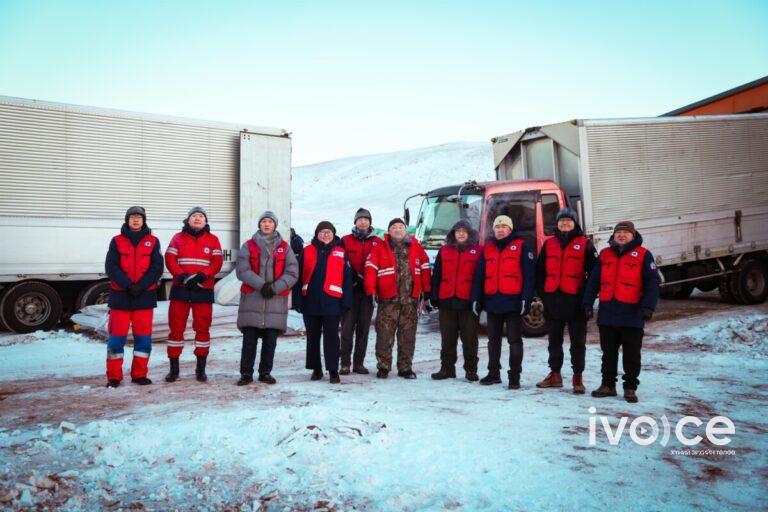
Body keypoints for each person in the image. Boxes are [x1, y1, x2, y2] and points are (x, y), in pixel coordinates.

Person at [583, 221, 660, 403]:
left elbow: (652, 283)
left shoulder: (643, 255)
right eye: (619, 232)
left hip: (632, 313)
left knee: (631, 353)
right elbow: (593, 280)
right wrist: (587, 303)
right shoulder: (605, 254)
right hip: (608, 312)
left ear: (633, 236)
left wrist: (648, 306)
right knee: (608, 353)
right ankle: (608, 385)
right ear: (614, 235)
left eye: (626, 233)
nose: (622, 235)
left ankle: (630, 387)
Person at [535, 208, 597, 394]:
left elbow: (594, 275)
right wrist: (543, 295)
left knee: (577, 343)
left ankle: (577, 378)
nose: (565, 224)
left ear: (575, 223)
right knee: (554, 341)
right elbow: (540, 271)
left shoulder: (585, 244)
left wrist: (587, 300)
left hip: (575, 301)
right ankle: (555, 375)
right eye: (562, 221)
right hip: (553, 300)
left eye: (569, 221)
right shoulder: (549, 244)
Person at [471, 215, 535, 389]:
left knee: (514, 340)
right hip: (493, 301)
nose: (500, 229)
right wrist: (477, 298)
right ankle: (493, 373)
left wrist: (526, 299)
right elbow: (479, 276)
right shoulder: (488, 248)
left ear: (510, 229)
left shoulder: (522, 246)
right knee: (493, 340)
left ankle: (514, 376)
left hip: (513, 302)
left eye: (503, 226)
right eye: (497, 226)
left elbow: (530, 276)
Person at [235, 211, 299, 385]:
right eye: (263, 221)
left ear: (275, 225)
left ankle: (265, 372)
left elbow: (292, 273)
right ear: (259, 224)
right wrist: (261, 285)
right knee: (249, 341)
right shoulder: (248, 246)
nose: (266, 224)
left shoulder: (285, 247)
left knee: (270, 342)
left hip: (275, 302)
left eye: (270, 221)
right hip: (252, 300)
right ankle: (246, 374)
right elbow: (242, 270)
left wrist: (274, 288)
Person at [104, 206, 164, 387]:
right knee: (116, 340)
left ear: (144, 220)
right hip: (121, 297)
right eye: (132, 217)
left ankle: (139, 375)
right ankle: (114, 377)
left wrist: (141, 286)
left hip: (144, 297)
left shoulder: (153, 241)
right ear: (127, 220)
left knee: (143, 339)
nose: (136, 220)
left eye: (139, 217)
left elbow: (157, 268)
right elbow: (111, 267)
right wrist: (128, 285)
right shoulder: (116, 241)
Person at [364, 218, 431, 379]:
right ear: (389, 231)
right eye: (394, 227)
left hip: (410, 301)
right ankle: (383, 366)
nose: (398, 229)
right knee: (384, 336)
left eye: (401, 227)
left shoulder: (416, 246)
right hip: (388, 301)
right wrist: (370, 290)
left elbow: (425, 267)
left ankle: (405, 368)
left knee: (407, 336)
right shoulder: (380, 247)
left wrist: (427, 289)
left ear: (406, 230)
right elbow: (370, 268)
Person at [164, 206, 223, 383]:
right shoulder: (177, 238)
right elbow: (169, 258)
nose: (197, 219)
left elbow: (217, 262)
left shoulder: (213, 240)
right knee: (176, 330)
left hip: (202, 290)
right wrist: (182, 277)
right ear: (188, 220)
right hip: (181, 289)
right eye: (194, 216)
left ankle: (200, 369)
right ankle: (174, 370)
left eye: (201, 216)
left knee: (203, 329)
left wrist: (202, 276)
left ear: (206, 222)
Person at [295, 221, 353, 383]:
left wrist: (346, 302)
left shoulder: (341, 252)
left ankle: (333, 370)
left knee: (332, 337)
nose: (325, 234)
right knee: (312, 337)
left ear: (333, 234)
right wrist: (297, 300)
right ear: (316, 234)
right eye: (322, 232)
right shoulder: (306, 252)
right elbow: (298, 278)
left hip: (332, 303)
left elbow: (347, 279)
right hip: (310, 302)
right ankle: (316, 369)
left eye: (328, 232)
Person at [429, 220, 481, 382]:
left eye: (464, 231)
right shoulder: (444, 251)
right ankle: (447, 369)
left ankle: (471, 370)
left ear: (470, 233)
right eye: (457, 231)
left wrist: (478, 299)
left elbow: (481, 278)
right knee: (447, 339)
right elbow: (437, 274)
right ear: (453, 234)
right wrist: (434, 295)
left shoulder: (479, 251)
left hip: (468, 303)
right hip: (447, 301)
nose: (460, 233)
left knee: (470, 339)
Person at [340, 208, 382, 375]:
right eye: (360, 219)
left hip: (368, 292)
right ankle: (345, 363)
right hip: (350, 291)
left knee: (363, 329)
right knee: (347, 329)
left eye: (366, 219)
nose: (363, 222)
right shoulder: (345, 240)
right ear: (355, 222)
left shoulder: (378, 242)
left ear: (370, 222)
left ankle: (359, 363)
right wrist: (352, 278)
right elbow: (340, 262)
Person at [290, 228, 304, 311]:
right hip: (294, 264)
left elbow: (298, 250)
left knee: (297, 286)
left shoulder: (297, 240)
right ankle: (294, 303)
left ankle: (297, 304)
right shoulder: (296, 239)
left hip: (297, 265)